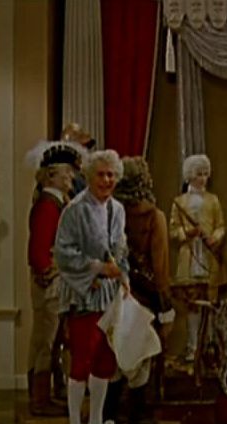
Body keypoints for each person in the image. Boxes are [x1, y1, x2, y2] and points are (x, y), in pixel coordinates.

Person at [54, 149, 130, 424]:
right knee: (82, 360)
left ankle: (96, 418)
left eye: (111, 175)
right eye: (101, 174)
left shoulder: (117, 209)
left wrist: (124, 278)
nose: (107, 180)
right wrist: (97, 268)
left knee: (105, 361)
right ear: (88, 176)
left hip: (111, 296)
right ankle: (75, 420)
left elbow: (121, 249)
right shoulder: (75, 210)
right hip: (84, 294)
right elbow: (63, 254)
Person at [104, 156, 175, 424]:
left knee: (114, 356)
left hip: (112, 295)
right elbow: (160, 267)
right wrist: (166, 307)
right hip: (144, 297)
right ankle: (136, 414)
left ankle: (109, 415)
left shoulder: (108, 213)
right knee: (140, 356)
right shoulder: (154, 217)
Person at [25, 141, 85, 416]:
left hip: (57, 281)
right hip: (50, 283)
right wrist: (47, 272)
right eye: (66, 172)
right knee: (45, 341)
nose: (71, 176)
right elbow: (39, 250)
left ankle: (49, 393)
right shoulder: (48, 206)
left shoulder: (57, 203)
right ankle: (40, 400)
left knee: (53, 338)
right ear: (51, 175)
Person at [169, 154, 225, 362]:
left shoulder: (213, 200)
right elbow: (173, 230)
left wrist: (214, 238)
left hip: (209, 256)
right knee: (192, 304)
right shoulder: (179, 202)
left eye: (205, 174)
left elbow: (221, 226)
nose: (203, 178)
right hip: (189, 257)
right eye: (199, 174)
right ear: (190, 176)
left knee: (210, 303)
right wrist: (187, 234)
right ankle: (193, 346)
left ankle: (209, 344)